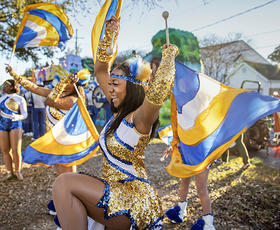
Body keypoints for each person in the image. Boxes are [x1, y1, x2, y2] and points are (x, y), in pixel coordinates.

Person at [51, 16, 178, 230]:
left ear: (133, 87)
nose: (109, 88)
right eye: (109, 84)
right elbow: (100, 69)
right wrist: (109, 35)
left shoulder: (140, 117)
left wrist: (169, 58)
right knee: (69, 192)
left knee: (65, 183)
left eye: (115, 84)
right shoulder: (117, 110)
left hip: (134, 198)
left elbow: (157, 94)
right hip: (112, 190)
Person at [0, 79, 27, 181]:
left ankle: (18, 171)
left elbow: (25, 114)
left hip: (15, 125)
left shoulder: (20, 99)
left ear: (12, 87)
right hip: (2, 125)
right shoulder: (1, 98)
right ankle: (9, 172)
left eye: (6, 85)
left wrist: (18, 117)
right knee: (5, 150)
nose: (3, 86)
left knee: (16, 150)